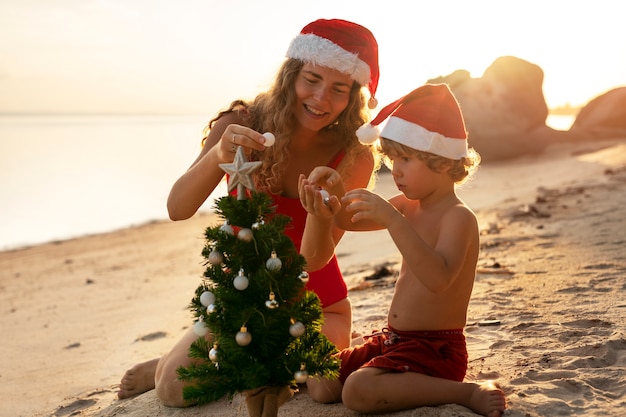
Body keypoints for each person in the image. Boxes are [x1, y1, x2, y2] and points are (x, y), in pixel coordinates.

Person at [117, 18, 381, 407]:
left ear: (352, 96)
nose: (321, 98)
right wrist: (217, 159)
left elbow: (314, 259)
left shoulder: (353, 156)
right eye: (311, 79)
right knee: (173, 390)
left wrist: (322, 213)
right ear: (291, 73)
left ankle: (229, 356)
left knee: (320, 385)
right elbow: (178, 208)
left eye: (339, 89)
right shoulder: (239, 125)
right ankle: (175, 360)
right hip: (239, 302)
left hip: (316, 303)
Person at [298, 84, 507, 416]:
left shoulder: (458, 217)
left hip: (436, 350)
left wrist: (394, 221)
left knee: (357, 391)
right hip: (394, 340)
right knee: (320, 382)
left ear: (442, 161)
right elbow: (348, 221)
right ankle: (385, 369)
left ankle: (466, 392)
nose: (395, 170)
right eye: (393, 159)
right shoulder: (410, 205)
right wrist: (334, 190)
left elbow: (438, 278)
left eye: (406, 159)